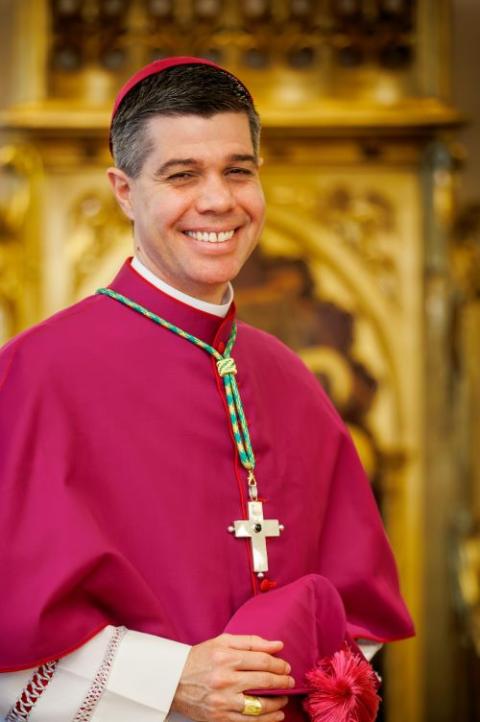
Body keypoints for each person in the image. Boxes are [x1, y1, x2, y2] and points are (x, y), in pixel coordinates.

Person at [0, 57, 413, 722]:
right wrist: (169, 680)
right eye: (182, 175)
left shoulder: (290, 378)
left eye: (238, 171)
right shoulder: (31, 377)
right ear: (125, 191)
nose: (218, 200)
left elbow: (355, 619)